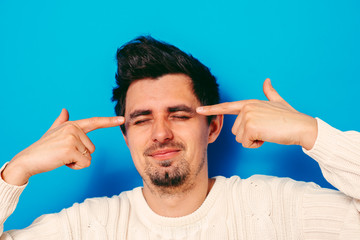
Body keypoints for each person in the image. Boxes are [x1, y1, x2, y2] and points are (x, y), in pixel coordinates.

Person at [0, 36, 359, 239]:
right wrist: (17, 171)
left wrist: (311, 133)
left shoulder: (277, 208)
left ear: (213, 126)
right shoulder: (89, 226)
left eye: (179, 114)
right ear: (126, 137)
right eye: (141, 120)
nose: (161, 133)